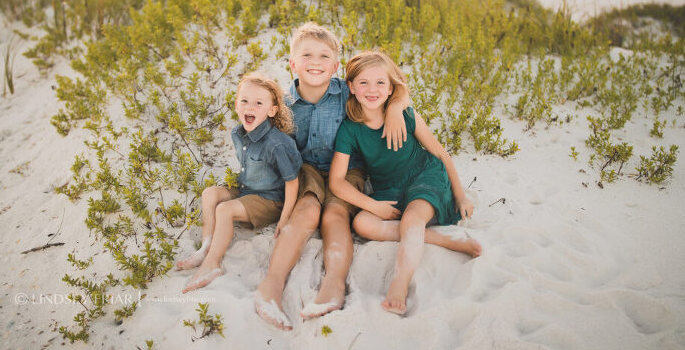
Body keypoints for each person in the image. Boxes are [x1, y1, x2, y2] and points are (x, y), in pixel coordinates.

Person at [255, 23, 409, 330]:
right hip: (306, 170)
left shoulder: (345, 93)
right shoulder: (283, 103)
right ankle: (271, 285)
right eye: (307, 54)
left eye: (324, 56)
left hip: (347, 168)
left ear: (336, 66)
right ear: (292, 63)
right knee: (308, 211)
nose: (316, 61)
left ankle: (334, 285)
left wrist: (396, 109)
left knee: (335, 215)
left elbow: (392, 92)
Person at [328, 51, 482, 315]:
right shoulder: (351, 128)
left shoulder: (406, 113)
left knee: (411, 219)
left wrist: (460, 195)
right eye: (363, 83)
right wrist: (372, 206)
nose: (372, 90)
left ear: (390, 88)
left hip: (424, 175)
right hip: (390, 188)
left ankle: (398, 285)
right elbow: (336, 181)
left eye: (380, 83)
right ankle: (443, 240)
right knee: (362, 223)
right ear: (351, 87)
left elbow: (440, 153)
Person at [177, 73, 302, 294]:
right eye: (244, 101)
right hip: (247, 189)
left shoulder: (276, 144)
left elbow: (292, 182)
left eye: (258, 103)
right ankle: (206, 247)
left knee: (224, 210)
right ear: (236, 105)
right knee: (210, 194)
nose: (249, 107)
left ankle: (212, 264)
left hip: (269, 199)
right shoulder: (237, 133)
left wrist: (285, 217)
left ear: (271, 110)